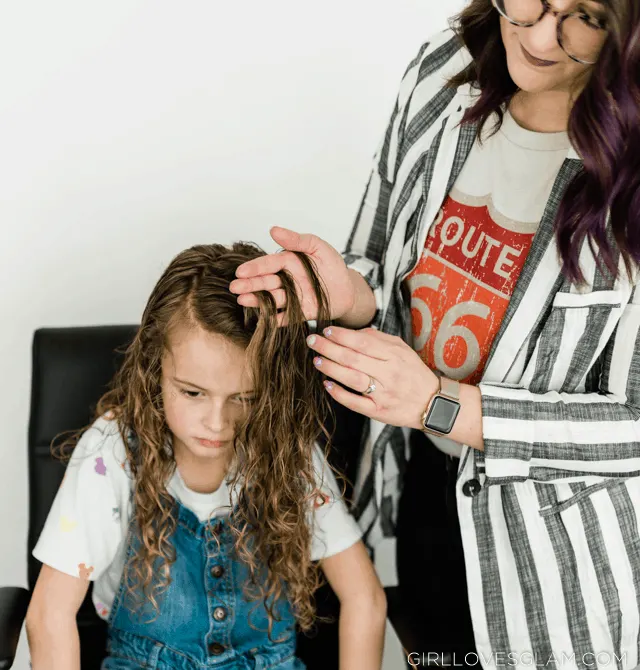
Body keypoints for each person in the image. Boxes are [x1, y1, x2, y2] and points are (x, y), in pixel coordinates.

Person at [229, 0, 640, 666]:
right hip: (430, 509)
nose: (538, 33)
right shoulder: (445, 71)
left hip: (559, 570)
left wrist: (440, 404)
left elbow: (634, 418)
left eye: (583, 16)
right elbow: (378, 259)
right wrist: (345, 295)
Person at [25, 242, 387, 669]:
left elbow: (364, 598)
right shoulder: (113, 450)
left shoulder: (288, 451)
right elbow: (49, 615)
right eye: (193, 393)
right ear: (153, 365)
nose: (218, 423)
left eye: (245, 397)